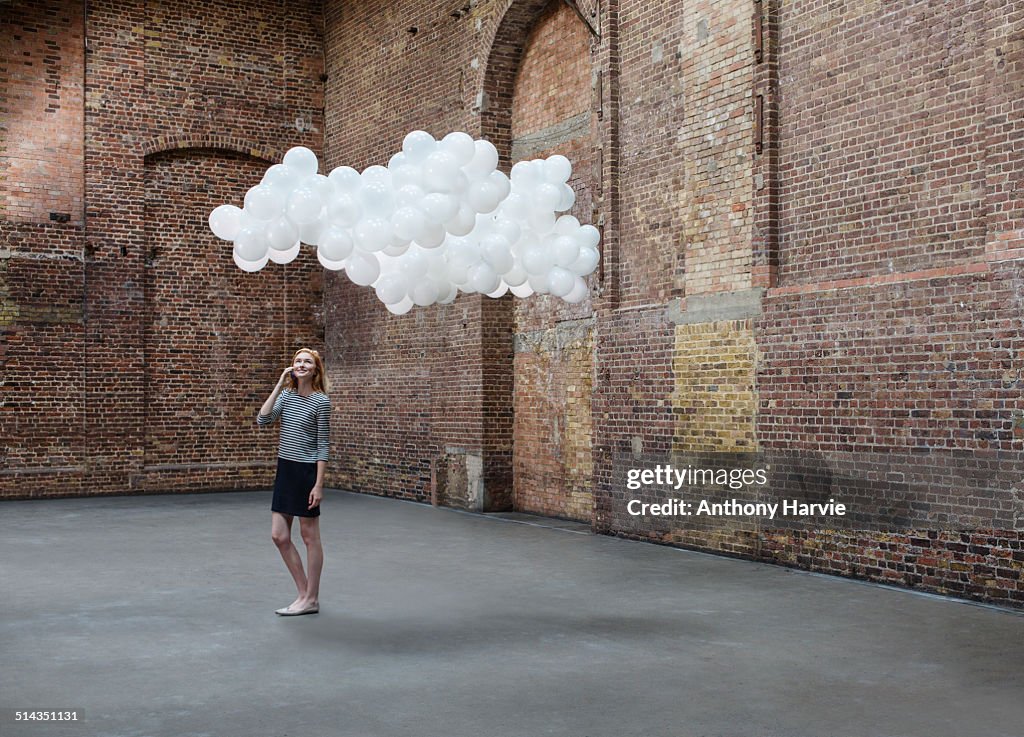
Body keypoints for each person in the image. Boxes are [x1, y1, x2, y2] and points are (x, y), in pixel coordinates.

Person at [257, 347, 331, 616]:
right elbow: (263, 419)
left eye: (307, 362)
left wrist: (319, 484)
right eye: (298, 361)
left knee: (309, 536)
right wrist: (278, 384)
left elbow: (322, 445)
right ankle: (303, 594)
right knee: (279, 535)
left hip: (306, 472)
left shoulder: (321, 402)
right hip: (285, 469)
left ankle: (311, 598)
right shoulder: (286, 396)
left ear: (315, 369)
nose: (301, 364)